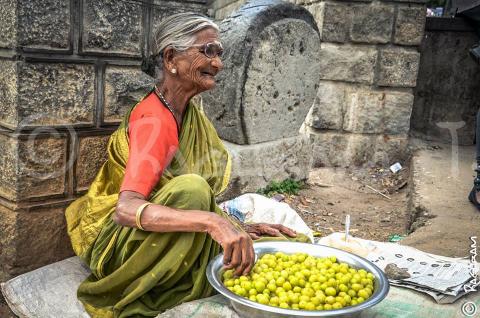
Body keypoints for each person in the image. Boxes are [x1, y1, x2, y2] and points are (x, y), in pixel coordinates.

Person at [65, 12, 304, 317]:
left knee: (279, 246)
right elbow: (126, 209)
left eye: (219, 53)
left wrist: (236, 225)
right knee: (193, 190)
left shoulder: (186, 113)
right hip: (120, 248)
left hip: (157, 234)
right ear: (170, 59)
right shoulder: (155, 121)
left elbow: (177, 199)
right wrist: (214, 222)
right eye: (207, 52)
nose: (218, 64)